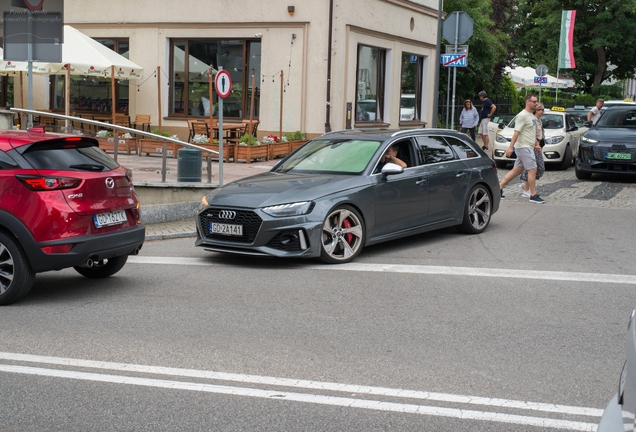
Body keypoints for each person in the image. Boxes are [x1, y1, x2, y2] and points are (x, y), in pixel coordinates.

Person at [498, 93, 545, 204]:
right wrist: (510, 147)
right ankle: (533, 195)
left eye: (536, 101)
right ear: (527, 102)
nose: (536, 103)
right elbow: (516, 132)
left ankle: (499, 187)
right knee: (533, 169)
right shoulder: (522, 116)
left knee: (517, 170)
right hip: (523, 147)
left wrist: (536, 144)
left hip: (528, 146)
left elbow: (531, 132)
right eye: (534, 101)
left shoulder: (531, 116)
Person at [520, 102, 546, 198]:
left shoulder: (539, 120)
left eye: (543, 109)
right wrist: (536, 144)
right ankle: (527, 188)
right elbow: (532, 134)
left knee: (535, 168)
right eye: (541, 109)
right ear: (536, 110)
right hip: (533, 146)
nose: (542, 111)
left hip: (538, 145)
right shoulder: (533, 120)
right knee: (534, 168)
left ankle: (527, 185)